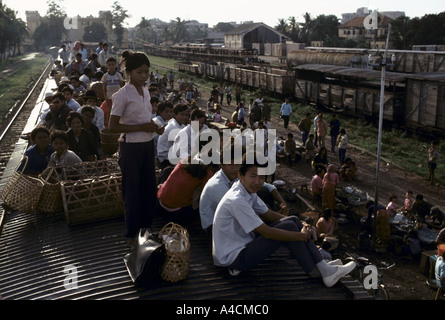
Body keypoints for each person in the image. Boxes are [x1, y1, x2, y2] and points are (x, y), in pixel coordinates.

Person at [212, 152, 356, 287]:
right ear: (241, 175)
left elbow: (269, 214)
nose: (257, 182)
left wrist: (302, 223)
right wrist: (300, 236)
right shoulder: (237, 199)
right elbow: (267, 232)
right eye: (253, 176)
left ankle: (322, 266)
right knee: (289, 228)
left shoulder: (246, 190)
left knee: (292, 220)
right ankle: (318, 270)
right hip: (233, 258)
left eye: (262, 177)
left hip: (242, 243)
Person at [108, 50, 164, 247]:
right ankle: (131, 234)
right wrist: (142, 127)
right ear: (129, 72)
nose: (144, 76)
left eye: (147, 72)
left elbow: (143, 119)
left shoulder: (146, 92)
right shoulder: (122, 95)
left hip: (147, 145)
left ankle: (146, 228)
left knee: (149, 189)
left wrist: (155, 128)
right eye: (140, 72)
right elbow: (112, 126)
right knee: (132, 191)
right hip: (130, 148)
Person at [157, 156, 218, 226]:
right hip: (178, 215)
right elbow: (208, 196)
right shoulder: (207, 173)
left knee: (168, 170)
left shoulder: (183, 162)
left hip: (159, 207)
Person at [156, 103, 188, 170]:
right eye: (181, 115)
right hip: (165, 159)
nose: (184, 117)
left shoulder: (180, 125)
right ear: (175, 115)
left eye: (186, 115)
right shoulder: (174, 127)